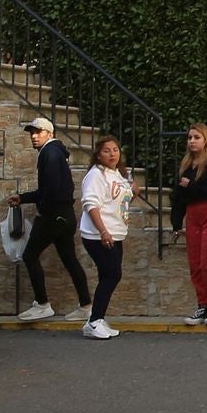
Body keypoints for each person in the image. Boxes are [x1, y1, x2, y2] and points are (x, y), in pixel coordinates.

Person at [8, 117, 93, 322]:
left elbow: (52, 190)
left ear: (50, 133)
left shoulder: (50, 153)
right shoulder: (55, 153)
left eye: (39, 132)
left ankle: (43, 303)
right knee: (69, 260)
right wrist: (24, 198)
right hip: (64, 215)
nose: (34, 136)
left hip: (53, 216)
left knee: (30, 256)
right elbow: (49, 189)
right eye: (32, 133)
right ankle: (85, 305)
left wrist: (43, 212)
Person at [77, 135, 133, 340]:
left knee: (107, 275)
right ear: (98, 155)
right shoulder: (95, 175)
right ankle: (94, 321)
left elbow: (118, 203)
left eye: (115, 150)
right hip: (98, 234)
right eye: (106, 151)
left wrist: (133, 193)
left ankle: (97, 319)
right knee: (112, 274)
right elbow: (91, 205)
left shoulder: (117, 174)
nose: (112, 154)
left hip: (116, 233)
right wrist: (103, 231)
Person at [172, 123, 207, 325]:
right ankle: (203, 304)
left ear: (206, 140)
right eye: (190, 138)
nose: (192, 141)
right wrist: (176, 222)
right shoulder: (186, 164)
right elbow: (178, 195)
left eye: (196, 137)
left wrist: (191, 186)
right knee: (195, 262)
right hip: (193, 213)